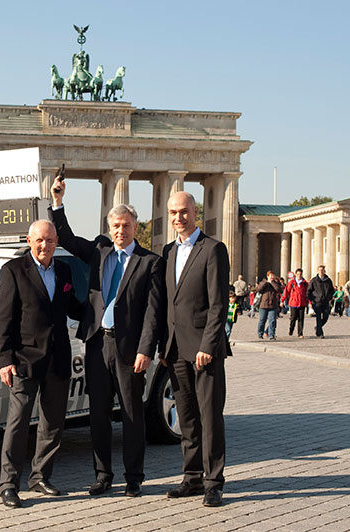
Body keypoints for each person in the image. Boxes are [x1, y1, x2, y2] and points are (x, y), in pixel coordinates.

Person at [50, 178, 164, 498]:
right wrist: (58, 203)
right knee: (98, 415)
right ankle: (102, 476)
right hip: (97, 343)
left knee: (131, 415)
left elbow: (154, 312)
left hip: (130, 350)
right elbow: (68, 239)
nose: (120, 231)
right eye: (115, 225)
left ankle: (134, 477)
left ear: (135, 227)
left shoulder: (149, 263)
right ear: (109, 227)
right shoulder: (99, 251)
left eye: (126, 225)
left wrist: (147, 349)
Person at [0, 220, 81, 508]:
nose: (45, 246)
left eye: (51, 241)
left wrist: (107, 303)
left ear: (57, 242)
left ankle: (40, 476)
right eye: (40, 240)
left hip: (58, 359)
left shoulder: (64, 270)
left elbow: (75, 307)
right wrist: (5, 360)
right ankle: (8, 484)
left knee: (53, 423)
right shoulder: (14, 270)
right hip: (24, 360)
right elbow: (4, 319)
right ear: (30, 241)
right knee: (17, 424)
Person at [160, 191, 229, 508]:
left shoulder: (213, 249)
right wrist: (162, 345)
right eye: (173, 212)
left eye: (184, 211)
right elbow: (168, 304)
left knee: (209, 416)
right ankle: (191, 477)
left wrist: (208, 345)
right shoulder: (169, 251)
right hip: (175, 351)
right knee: (186, 418)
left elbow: (218, 305)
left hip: (204, 350)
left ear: (195, 212)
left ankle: (214, 482)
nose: (178, 217)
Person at [307, 265, 335, 338]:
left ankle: (318, 328)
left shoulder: (328, 280)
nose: (321, 271)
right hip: (317, 302)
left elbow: (332, 290)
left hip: (325, 301)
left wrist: (329, 297)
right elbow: (309, 291)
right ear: (317, 271)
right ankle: (320, 333)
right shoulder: (314, 280)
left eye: (322, 270)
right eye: (319, 270)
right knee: (318, 317)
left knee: (326, 316)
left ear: (324, 271)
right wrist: (312, 300)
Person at [255, 271, 283, 340]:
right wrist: (265, 283)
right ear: (267, 276)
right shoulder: (263, 282)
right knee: (262, 320)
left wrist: (272, 283)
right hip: (263, 305)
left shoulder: (276, 283)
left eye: (273, 276)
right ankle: (260, 334)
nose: (272, 277)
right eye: (271, 276)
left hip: (273, 305)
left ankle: (271, 335)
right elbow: (258, 289)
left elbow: (278, 289)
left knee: (272, 321)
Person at [283, 268, 308, 338]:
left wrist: (309, 302)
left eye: (300, 274)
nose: (299, 275)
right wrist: (282, 300)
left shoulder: (305, 283)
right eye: (298, 274)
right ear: (295, 274)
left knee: (301, 319)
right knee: (293, 318)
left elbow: (307, 294)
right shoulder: (291, 283)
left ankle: (300, 333)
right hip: (293, 303)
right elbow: (286, 291)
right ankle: (291, 329)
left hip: (302, 303)